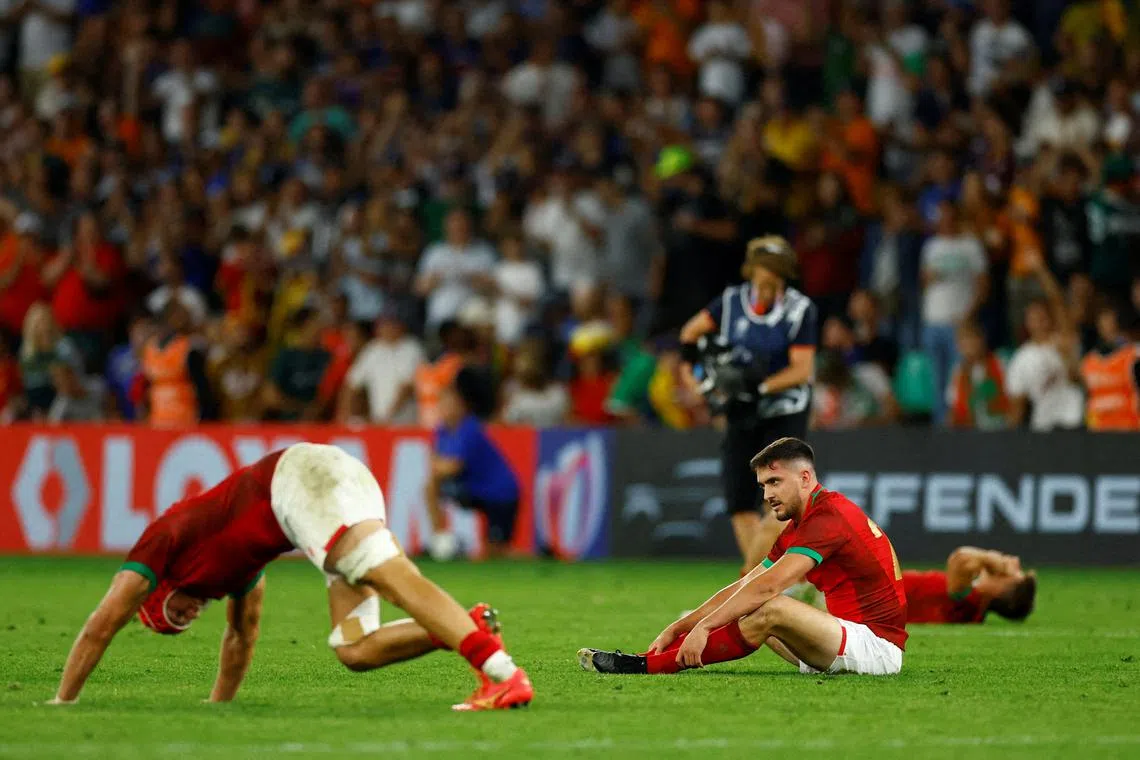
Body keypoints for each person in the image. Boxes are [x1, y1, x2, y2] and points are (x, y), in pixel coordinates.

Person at [50, 442, 533, 711]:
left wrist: (62, 701)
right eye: (184, 621)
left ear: (157, 594)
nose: (189, 614)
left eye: (175, 611)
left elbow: (102, 623)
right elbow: (242, 634)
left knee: (393, 578)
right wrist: (218, 706)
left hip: (302, 481)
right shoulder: (226, 575)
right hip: (322, 493)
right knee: (355, 649)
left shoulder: (163, 542)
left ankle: (502, 673)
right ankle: (471, 627)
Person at [578, 437, 907, 676]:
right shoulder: (801, 525)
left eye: (775, 482)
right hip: (840, 639)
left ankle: (646, 666)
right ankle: (651, 656)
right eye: (764, 485)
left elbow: (768, 589)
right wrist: (679, 627)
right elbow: (747, 584)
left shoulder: (829, 518)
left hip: (876, 649)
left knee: (767, 606)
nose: (768, 495)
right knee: (746, 602)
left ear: (806, 478)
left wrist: (705, 627)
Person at [679, 236, 817, 572]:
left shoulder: (799, 310)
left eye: (776, 274)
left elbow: (802, 368)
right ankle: (760, 582)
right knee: (740, 501)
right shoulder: (729, 302)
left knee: (783, 500)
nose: (769, 280)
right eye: (764, 271)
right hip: (740, 412)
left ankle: (750, 580)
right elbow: (690, 333)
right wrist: (692, 373)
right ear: (752, 270)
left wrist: (760, 387)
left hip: (783, 411)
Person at [426, 368, 521, 561]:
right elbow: (435, 462)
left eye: (448, 402)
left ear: (462, 406)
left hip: (501, 495)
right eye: (441, 402)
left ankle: (536, 559)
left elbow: (454, 466)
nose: (443, 407)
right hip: (475, 490)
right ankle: (439, 539)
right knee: (430, 486)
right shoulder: (442, 430)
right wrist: (439, 466)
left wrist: (440, 466)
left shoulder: (470, 428)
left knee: (497, 553)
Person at [903, 547, 1036, 624]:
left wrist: (992, 560)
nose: (1015, 561)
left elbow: (961, 559)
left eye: (1017, 572)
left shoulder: (970, 603)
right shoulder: (971, 605)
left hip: (884, 599)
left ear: (1001, 591)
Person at [138, 297, 214, 427]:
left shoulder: (188, 349)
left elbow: (202, 389)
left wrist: (205, 419)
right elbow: (144, 387)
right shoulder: (149, 350)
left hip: (185, 421)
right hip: (157, 421)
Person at [1079, 303, 1140, 430]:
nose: (1107, 324)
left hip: (1128, 428)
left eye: (1110, 319)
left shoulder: (1133, 355)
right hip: (1099, 430)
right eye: (1103, 320)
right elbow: (1087, 397)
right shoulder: (1088, 362)